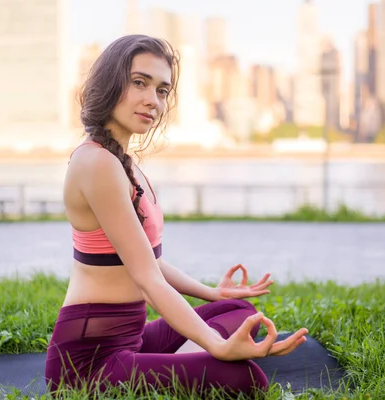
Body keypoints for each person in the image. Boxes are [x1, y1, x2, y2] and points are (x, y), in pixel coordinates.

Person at [44, 34, 309, 398]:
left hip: (131, 338)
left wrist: (211, 293)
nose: (152, 100)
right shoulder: (96, 163)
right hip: (88, 363)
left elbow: (147, 260)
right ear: (110, 82)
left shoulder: (121, 162)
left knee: (235, 309)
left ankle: (183, 363)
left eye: (162, 90)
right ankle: (198, 363)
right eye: (140, 82)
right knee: (247, 381)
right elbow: (148, 279)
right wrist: (216, 347)